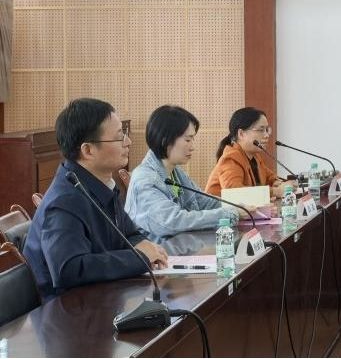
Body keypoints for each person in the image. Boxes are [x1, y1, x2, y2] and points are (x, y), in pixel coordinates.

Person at [22, 98, 169, 299]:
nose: (128, 142)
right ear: (88, 150)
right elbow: (70, 269)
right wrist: (140, 258)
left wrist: (147, 247)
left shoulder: (100, 184)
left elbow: (129, 234)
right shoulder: (64, 201)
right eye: (119, 137)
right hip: (69, 310)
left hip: (102, 298)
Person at [125, 105, 239, 239]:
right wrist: (228, 214)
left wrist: (239, 208)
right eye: (188, 140)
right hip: (158, 251)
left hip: (180, 247)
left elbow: (204, 202)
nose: (192, 147)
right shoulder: (144, 179)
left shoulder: (175, 172)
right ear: (165, 140)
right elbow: (172, 222)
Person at [206, 107, 285, 197]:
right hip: (219, 206)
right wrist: (274, 192)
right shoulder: (230, 158)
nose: (266, 135)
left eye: (267, 130)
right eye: (261, 130)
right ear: (241, 134)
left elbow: (270, 178)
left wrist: (279, 183)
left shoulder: (255, 157)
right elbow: (235, 192)